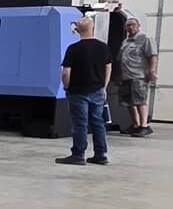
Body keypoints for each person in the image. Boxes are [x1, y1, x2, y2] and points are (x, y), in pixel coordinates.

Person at [58, 16, 111, 167]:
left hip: (78, 91)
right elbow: (108, 67)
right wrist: (104, 87)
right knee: (98, 122)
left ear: (77, 30)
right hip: (97, 90)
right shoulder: (103, 47)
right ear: (92, 28)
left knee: (80, 123)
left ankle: (78, 154)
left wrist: (66, 87)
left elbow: (66, 72)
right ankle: (101, 155)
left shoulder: (73, 49)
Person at [117, 15, 158, 135]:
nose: (130, 27)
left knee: (140, 101)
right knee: (129, 102)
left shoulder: (145, 39)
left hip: (138, 76)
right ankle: (135, 124)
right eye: (128, 25)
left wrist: (152, 71)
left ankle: (144, 125)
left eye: (133, 24)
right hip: (126, 76)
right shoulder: (126, 41)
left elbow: (152, 56)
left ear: (139, 26)